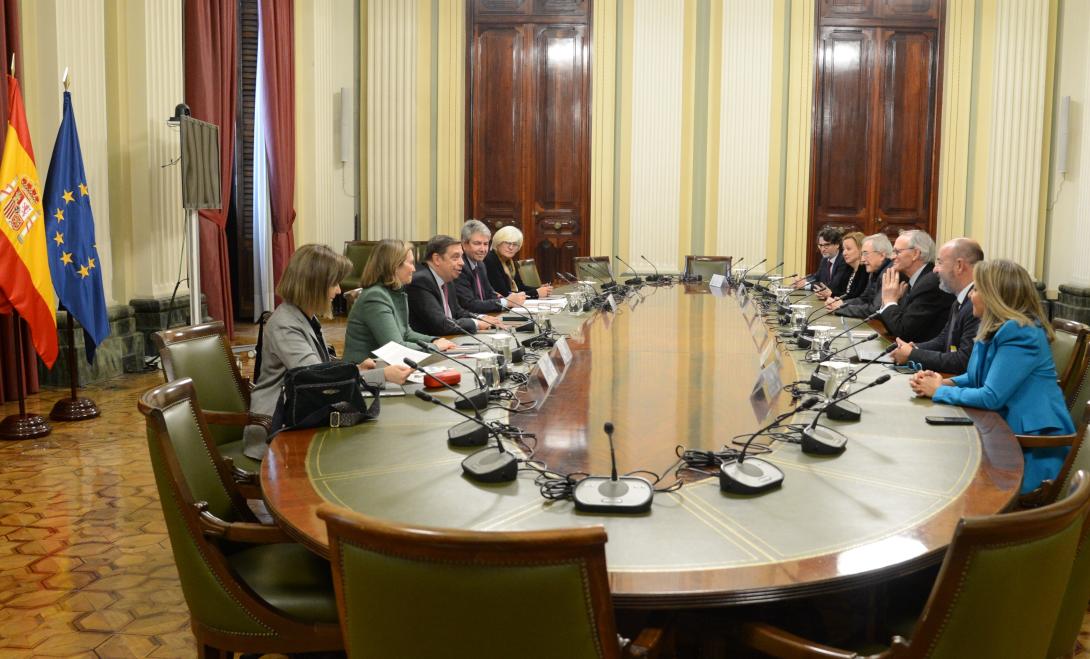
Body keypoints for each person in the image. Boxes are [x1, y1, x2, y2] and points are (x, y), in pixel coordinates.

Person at [910, 259, 1074, 495]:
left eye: (977, 289)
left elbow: (991, 396)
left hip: (1029, 445)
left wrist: (939, 391)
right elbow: (976, 376)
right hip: (1000, 429)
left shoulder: (1020, 332)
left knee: (943, 474)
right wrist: (942, 381)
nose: (970, 296)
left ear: (994, 295)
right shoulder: (994, 327)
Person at [243, 244, 412, 460]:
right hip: (276, 429)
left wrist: (356, 369)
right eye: (334, 283)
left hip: (302, 415)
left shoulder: (305, 317)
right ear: (314, 284)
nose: (339, 290)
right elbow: (318, 381)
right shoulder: (285, 324)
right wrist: (383, 375)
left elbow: (321, 371)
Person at [343, 239, 459, 363]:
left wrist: (433, 340)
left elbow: (406, 333)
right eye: (411, 263)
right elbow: (395, 347)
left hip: (385, 367)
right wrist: (435, 347)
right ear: (394, 266)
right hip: (364, 372)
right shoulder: (375, 296)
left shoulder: (396, 292)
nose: (414, 269)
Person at [892, 238, 983, 374]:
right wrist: (913, 348)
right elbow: (943, 340)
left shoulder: (976, 305)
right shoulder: (959, 300)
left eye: (940, 262)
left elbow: (963, 361)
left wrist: (912, 354)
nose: (934, 270)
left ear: (959, 265)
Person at [406, 234, 498, 336]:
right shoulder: (420, 281)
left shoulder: (447, 278)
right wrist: (476, 323)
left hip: (450, 339)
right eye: (455, 257)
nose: (462, 263)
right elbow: (441, 324)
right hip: (432, 345)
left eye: (461, 257)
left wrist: (481, 317)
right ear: (437, 259)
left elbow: (458, 312)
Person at [875, 230, 955, 343]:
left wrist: (889, 301)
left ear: (915, 254)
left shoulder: (930, 284)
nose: (892, 257)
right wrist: (891, 302)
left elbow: (903, 332)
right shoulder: (911, 280)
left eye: (897, 252)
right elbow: (893, 327)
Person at [454, 219, 526, 314]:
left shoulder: (480, 265)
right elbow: (469, 305)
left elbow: (490, 294)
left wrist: (507, 299)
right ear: (464, 244)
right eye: (477, 243)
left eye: (486, 244)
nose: (483, 249)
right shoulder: (459, 266)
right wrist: (506, 302)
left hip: (486, 317)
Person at [828, 233, 894, 318]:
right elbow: (864, 299)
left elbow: (875, 310)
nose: (862, 259)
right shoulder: (874, 271)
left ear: (882, 255)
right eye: (862, 254)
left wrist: (840, 308)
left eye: (866, 254)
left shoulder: (889, 273)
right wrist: (841, 303)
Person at [484, 225, 553, 299]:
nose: (511, 247)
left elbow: (520, 287)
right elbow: (504, 294)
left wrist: (539, 288)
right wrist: (536, 293)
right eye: (507, 243)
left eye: (515, 244)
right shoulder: (490, 260)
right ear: (498, 243)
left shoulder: (509, 262)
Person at [794, 227, 850, 293]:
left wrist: (806, 285)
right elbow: (817, 277)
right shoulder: (825, 259)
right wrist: (804, 280)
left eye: (827, 245)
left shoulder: (844, 260)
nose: (823, 249)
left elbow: (833, 286)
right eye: (820, 245)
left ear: (837, 244)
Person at [818, 231, 867, 301]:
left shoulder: (865, 271)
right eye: (844, 249)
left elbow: (857, 298)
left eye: (848, 249)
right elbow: (844, 293)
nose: (844, 253)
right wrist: (829, 294)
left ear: (861, 249)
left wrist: (831, 295)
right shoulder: (849, 269)